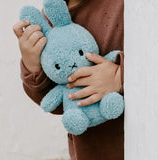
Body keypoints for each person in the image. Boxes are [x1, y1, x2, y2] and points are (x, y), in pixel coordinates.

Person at [13, 0, 124, 159]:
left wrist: (121, 75)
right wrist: (32, 67)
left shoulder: (126, 6)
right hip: (89, 151)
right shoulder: (48, 20)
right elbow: (57, 105)